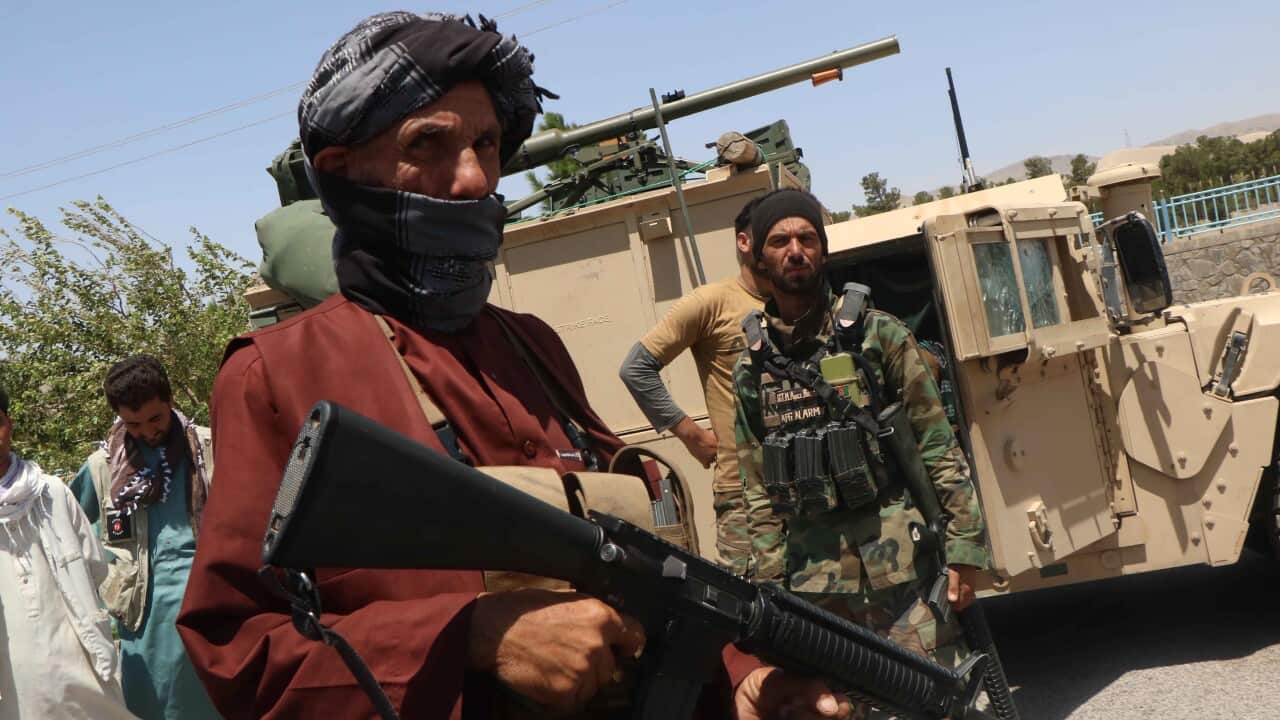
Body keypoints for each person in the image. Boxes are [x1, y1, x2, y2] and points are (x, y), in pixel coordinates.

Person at [176, 12, 849, 720]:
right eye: (427, 144)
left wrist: (737, 678)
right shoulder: (276, 375)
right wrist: (468, 638)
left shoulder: (534, 348)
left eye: (487, 144)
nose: (473, 178)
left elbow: (646, 578)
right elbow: (238, 652)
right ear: (343, 174)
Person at [730, 189, 990, 713]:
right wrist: (769, 585)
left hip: (904, 576)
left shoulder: (878, 335)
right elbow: (756, 486)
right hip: (816, 590)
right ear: (758, 257)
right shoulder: (752, 369)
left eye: (807, 238)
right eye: (779, 241)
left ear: (823, 250)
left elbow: (937, 444)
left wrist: (964, 549)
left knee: (945, 703)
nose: (795, 251)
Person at [619, 196, 769, 575]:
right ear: (744, 241)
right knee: (753, 602)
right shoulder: (712, 303)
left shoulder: (802, 305)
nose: (790, 247)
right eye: (775, 235)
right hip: (745, 494)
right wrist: (690, 434)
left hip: (809, 489)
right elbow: (636, 368)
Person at [69, 356, 219, 720]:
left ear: (170, 401)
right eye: (133, 424)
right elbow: (66, 522)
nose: (147, 431)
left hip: (211, 600)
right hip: (142, 611)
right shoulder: (104, 465)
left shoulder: (211, 448)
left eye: (156, 418)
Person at [0, 385, 134, 719]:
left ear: (9, 425)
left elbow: (95, 567)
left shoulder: (52, 493)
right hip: (13, 671)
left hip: (78, 656)